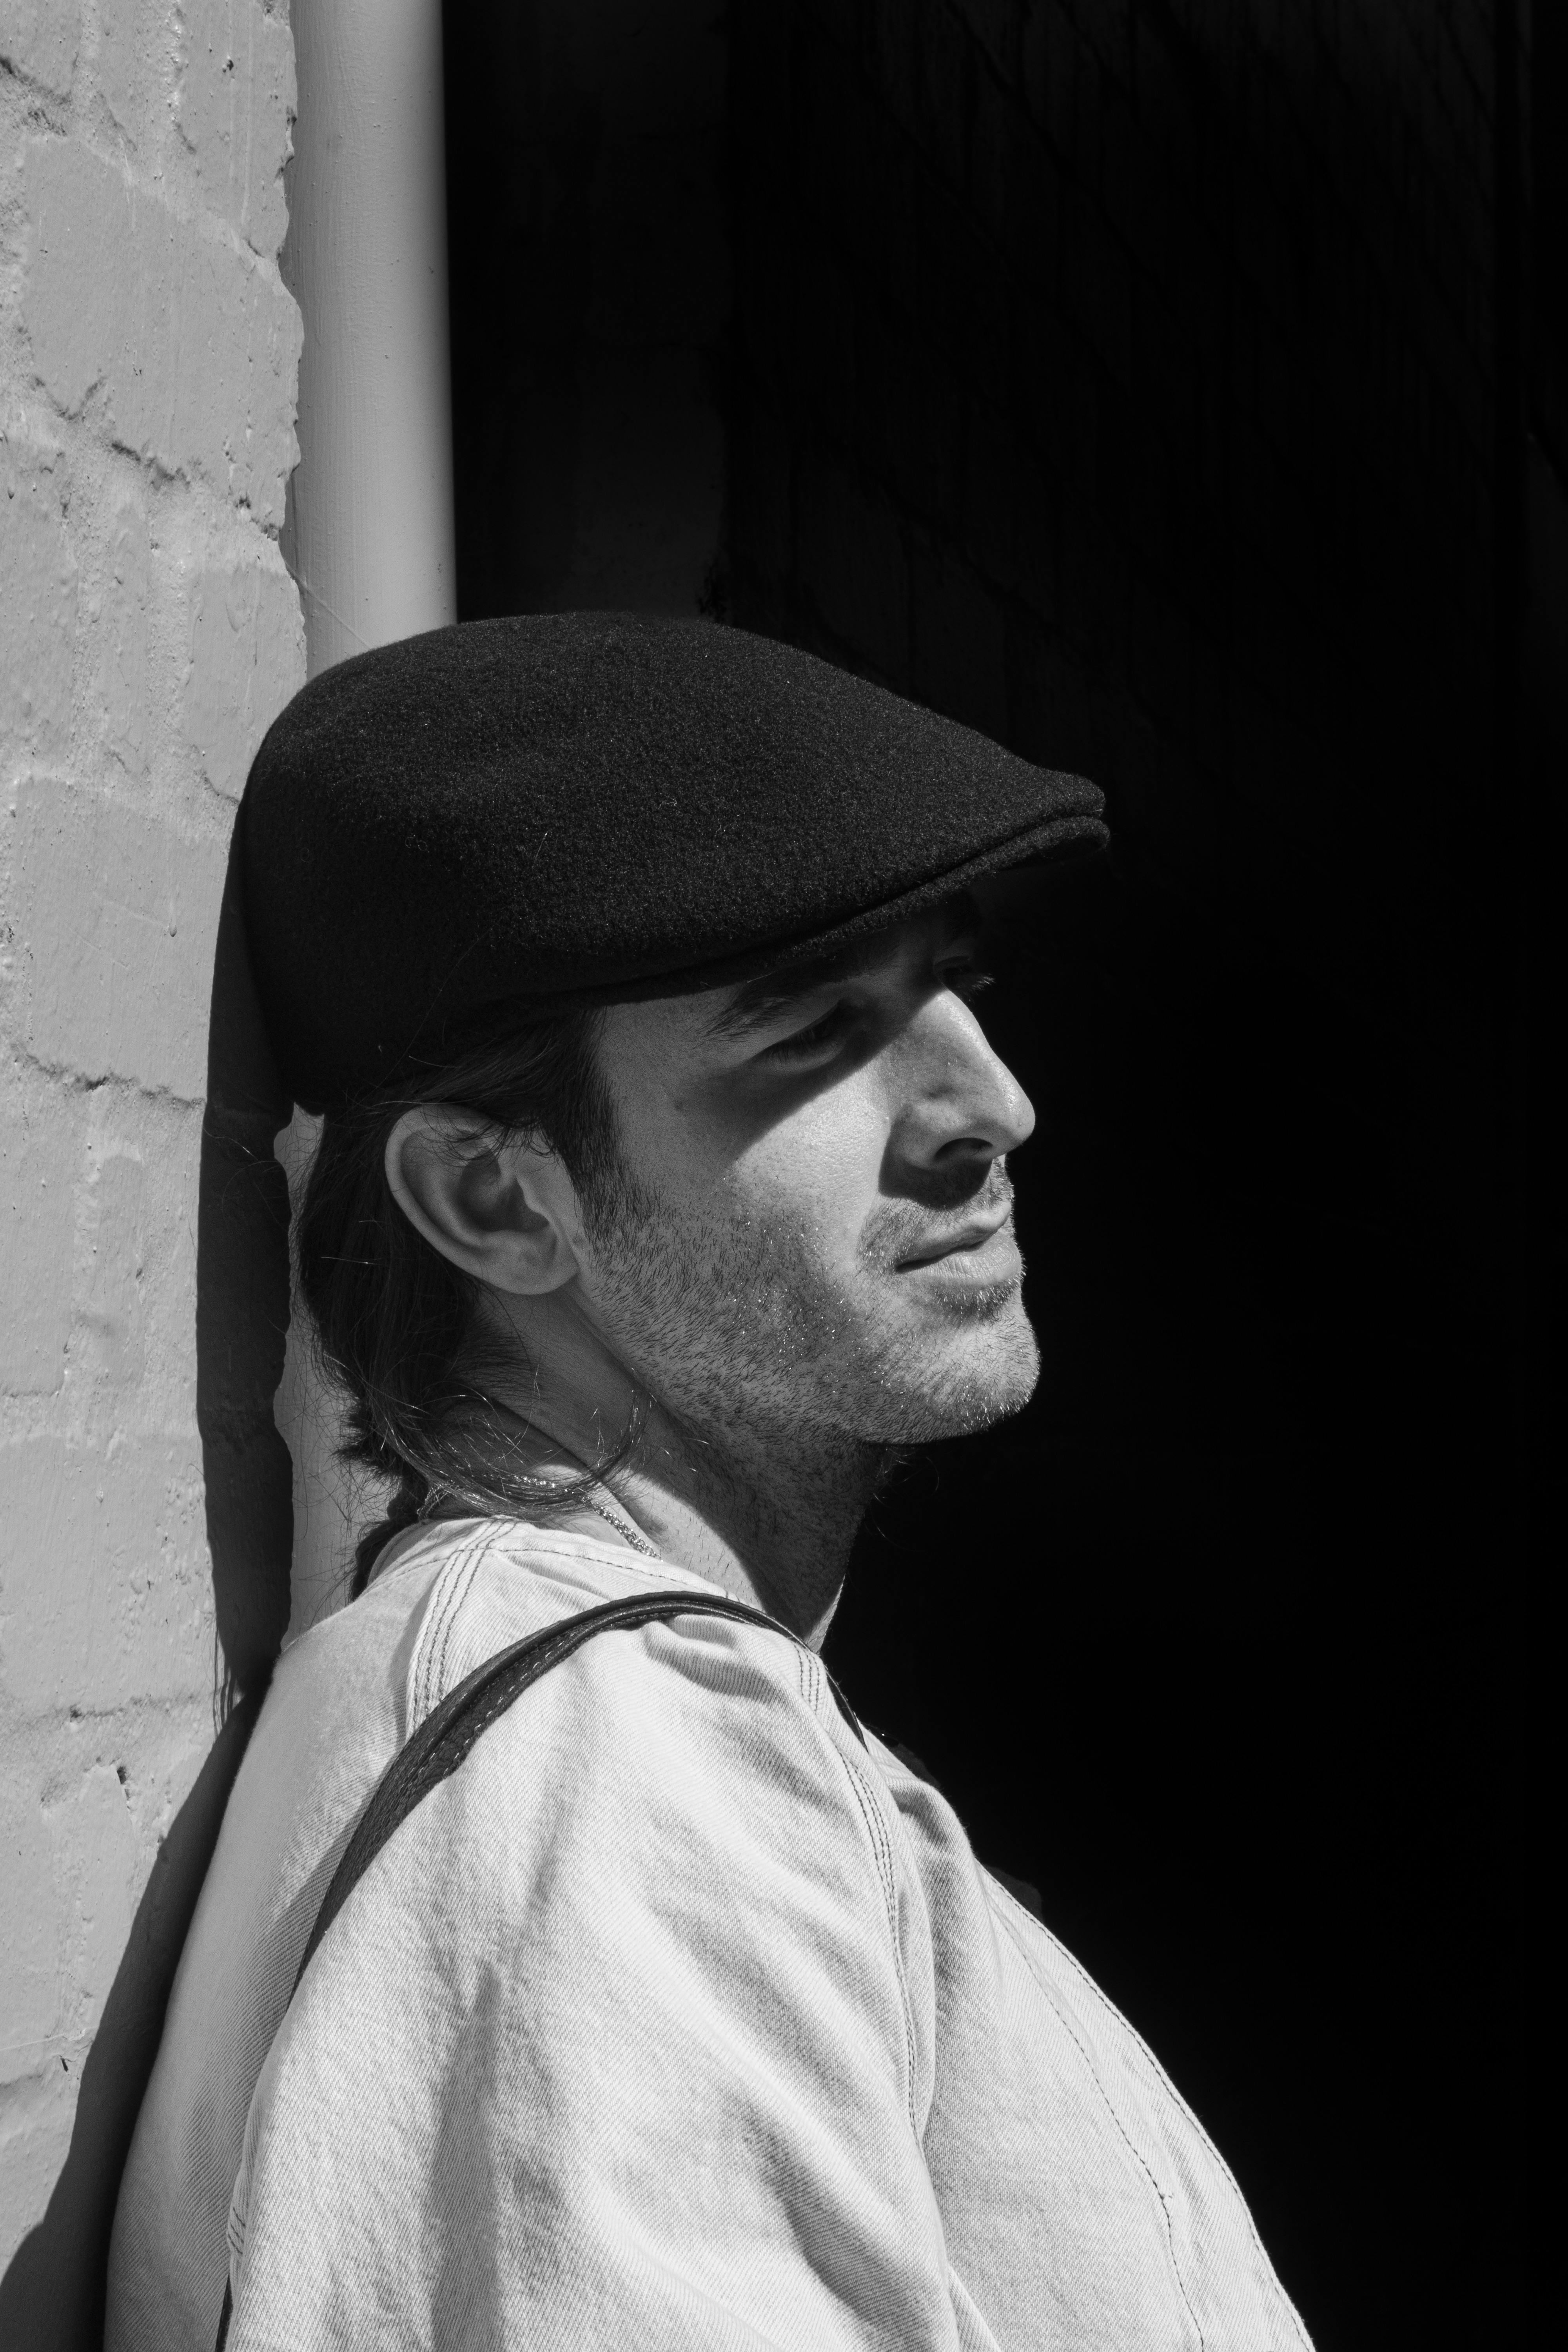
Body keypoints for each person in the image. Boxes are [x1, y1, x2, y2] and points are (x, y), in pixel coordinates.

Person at [107, 615, 1311, 2350]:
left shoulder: (599, 1703)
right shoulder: (622, 1765)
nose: (996, 1106)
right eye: (818, 1030)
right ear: (503, 1206)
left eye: (962, 990)